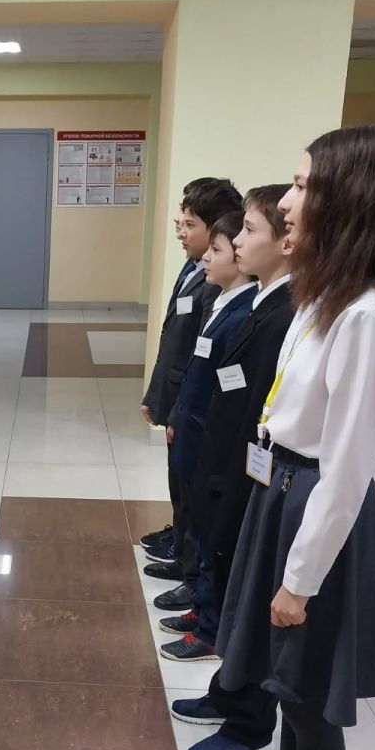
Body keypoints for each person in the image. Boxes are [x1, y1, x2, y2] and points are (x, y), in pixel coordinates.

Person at [202, 125, 375, 750]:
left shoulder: (372, 316)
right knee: (286, 682)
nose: (290, 200)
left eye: (303, 185)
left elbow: (349, 465)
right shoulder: (327, 294)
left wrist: (299, 580)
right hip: (287, 494)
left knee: (308, 698)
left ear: (349, 196)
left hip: (319, 507)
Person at [167, 186, 295, 750]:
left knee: (252, 594)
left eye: (248, 230)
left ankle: (248, 718)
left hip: (257, 470)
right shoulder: (265, 302)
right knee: (235, 581)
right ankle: (229, 691)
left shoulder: (286, 312)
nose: (237, 241)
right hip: (228, 463)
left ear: (286, 242)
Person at [141, 178, 243, 616]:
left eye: (190, 225)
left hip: (194, 405)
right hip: (178, 395)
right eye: (179, 224)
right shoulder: (192, 268)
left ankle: (193, 569)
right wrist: (158, 396)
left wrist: (179, 410)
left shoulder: (218, 284)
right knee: (180, 483)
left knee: (193, 490)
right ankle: (182, 546)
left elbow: (203, 355)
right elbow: (174, 339)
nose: (181, 233)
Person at [160, 208, 257, 647]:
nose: (205, 259)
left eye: (216, 250)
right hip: (192, 425)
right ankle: (200, 600)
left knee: (210, 530)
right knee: (194, 514)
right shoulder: (219, 302)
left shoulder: (243, 314)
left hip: (209, 436)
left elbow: (227, 386)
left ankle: (208, 617)